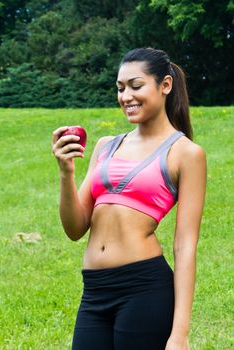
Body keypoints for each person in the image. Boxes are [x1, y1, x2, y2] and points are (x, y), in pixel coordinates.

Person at [52, 48, 207, 350]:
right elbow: (74, 229)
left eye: (136, 86)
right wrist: (65, 172)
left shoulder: (186, 154)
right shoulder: (106, 146)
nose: (126, 97)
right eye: (120, 88)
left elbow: (185, 245)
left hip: (144, 288)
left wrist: (180, 334)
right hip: (94, 291)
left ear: (165, 85)